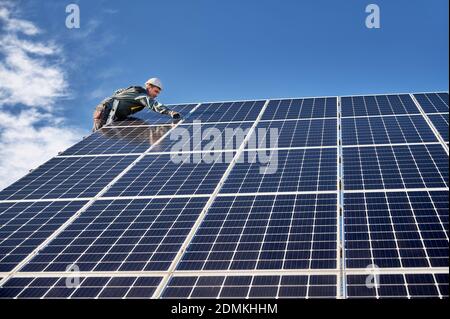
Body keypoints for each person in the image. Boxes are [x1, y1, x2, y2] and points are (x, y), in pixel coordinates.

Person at [92, 77, 181, 131]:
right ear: (149, 87)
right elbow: (153, 104)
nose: (156, 95)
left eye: (158, 93)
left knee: (100, 135)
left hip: (107, 109)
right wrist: (170, 112)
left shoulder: (135, 91)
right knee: (99, 135)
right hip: (107, 110)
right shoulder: (141, 95)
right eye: (155, 91)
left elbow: (118, 91)